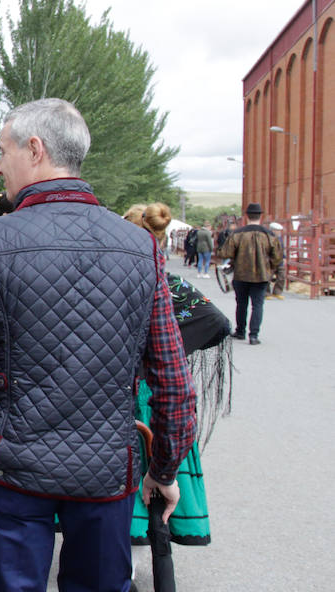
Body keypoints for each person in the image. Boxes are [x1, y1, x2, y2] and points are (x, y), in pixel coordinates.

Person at [0, 98, 196, 592]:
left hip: (7, 465)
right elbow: (172, 376)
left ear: (35, 149)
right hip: (106, 468)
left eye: (3, 150)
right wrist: (164, 469)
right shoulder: (141, 247)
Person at [124, 203, 233, 565]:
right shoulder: (169, 282)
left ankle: (127, 561)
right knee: (157, 459)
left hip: (132, 389)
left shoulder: (120, 278)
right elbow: (215, 320)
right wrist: (172, 352)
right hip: (164, 390)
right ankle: (135, 558)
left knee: (130, 465)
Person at [217, 202, 282, 345]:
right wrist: (269, 269)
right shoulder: (269, 235)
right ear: (260, 216)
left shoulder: (237, 234)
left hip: (241, 274)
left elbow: (224, 253)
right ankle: (254, 336)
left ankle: (240, 331)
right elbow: (277, 257)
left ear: (247, 216)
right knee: (257, 305)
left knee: (241, 304)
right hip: (261, 276)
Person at [267, 222, 286, 300]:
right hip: (270, 260)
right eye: (277, 230)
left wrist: (284, 257)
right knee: (268, 277)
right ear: (273, 230)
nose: (279, 232)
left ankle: (277, 292)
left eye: (279, 230)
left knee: (282, 276)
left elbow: (281, 249)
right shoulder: (267, 238)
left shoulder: (279, 238)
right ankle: (266, 293)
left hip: (279, 260)